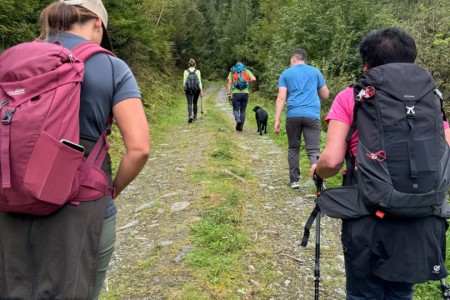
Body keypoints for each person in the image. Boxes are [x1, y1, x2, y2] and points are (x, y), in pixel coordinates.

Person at [0, 0, 150, 299]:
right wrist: (112, 188)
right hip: (80, 205)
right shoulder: (111, 66)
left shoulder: (12, 60)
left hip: (8, 199)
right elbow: (139, 148)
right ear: (97, 24)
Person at [310, 27, 450, 299]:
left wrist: (317, 170)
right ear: (411, 59)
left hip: (368, 217)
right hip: (419, 216)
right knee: (401, 291)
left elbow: (333, 161)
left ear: (366, 63)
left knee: (364, 293)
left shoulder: (351, 96)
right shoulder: (431, 99)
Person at [274, 49, 329, 189]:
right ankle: (319, 181)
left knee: (293, 148)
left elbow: (281, 97)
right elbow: (325, 95)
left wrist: (277, 119)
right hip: (312, 115)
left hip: (293, 115)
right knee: (314, 150)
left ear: (293, 59)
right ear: (305, 59)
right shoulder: (315, 72)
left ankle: (294, 181)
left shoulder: (286, 73)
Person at [227, 62, 256, 131]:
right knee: (243, 110)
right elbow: (254, 79)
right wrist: (247, 81)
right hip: (245, 93)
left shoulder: (233, 71)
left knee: (235, 109)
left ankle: (238, 121)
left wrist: (228, 94)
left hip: (236, 93)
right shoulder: (246, 70)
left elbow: (229, 83)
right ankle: (241, 126)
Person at [183, 58, 204, 123]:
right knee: (195, 102)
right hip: (196, 89)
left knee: (189, 103)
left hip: (188, 89)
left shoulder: (186, 71)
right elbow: (199, 81)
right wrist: (201, 90)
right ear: (195, 65)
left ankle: (190, 116)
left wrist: (185, 89)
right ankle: (195, 116)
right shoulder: (197, 71)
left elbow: (184, 82)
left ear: (189, 65)